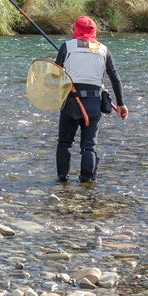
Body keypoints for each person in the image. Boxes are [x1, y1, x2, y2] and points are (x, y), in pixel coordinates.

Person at [53, 15, 127, 183]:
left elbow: (54, 73)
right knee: (89, 146)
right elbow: (115, 78)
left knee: (64, 143)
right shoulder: (104, 50)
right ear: (94, 32)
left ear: (75, 30)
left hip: (70, 102)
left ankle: (62, 180)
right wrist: (121, 104)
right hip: (93, 104)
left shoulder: (67, 47)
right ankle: (87, 181)